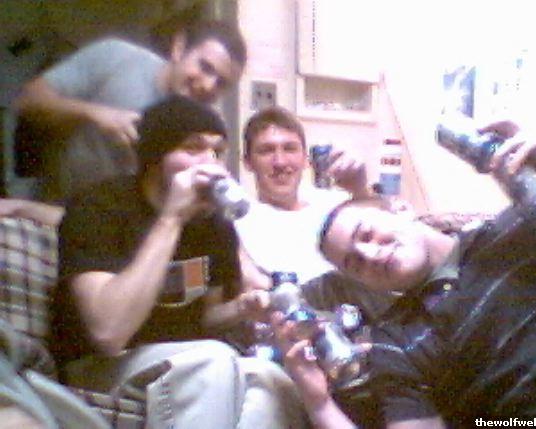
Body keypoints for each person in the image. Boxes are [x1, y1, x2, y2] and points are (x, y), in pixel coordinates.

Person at [272, 120, 536, 428]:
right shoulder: (396, 343)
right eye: (356, 264)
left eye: (367, 234)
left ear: (400, 209)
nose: (371, 255)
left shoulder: (520, 228)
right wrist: (319, 404)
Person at [50, 96, 308, 429]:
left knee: (270, 378)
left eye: (217, 151)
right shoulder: (99, 207)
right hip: (99, 366)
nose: (209, 163)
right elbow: (107, 332)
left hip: (182, 358)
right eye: (193, 148)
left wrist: (241, 308)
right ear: (155, 157)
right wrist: (172, 218)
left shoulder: (213, 223)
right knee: (212, 360)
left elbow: (205, 318)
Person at [14, 19, 246, 202]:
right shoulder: (117, 58)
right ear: (179, 47)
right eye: (205, 67)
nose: (208, 85)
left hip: (125, 232)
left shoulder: (206, 131)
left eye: (221, 83)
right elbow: (26, 101)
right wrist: (95, 114)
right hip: (55, 205)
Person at [234, 106, 376, 286]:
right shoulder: (238, 227)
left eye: (290, 149)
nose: (280, 162)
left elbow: (382, 238)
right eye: (267, 150)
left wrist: (361, 189)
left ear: (305, 159)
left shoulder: (337, 205)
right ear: (247, 162)